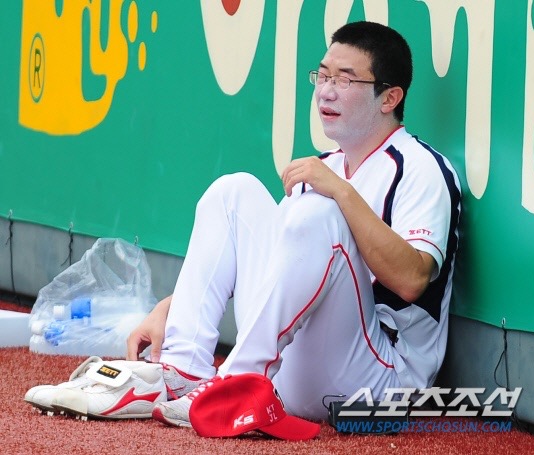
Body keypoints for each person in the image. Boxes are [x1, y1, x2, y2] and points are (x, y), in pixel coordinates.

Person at [25, 21, 461, 428]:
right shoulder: (325, 167)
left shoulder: (420, 168)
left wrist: (342, 194)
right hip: (303, 369)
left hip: (380, 382)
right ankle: (180, 369)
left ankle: (236, 383)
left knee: (319, 212)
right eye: (323, 76)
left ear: (389, 98)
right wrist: (171, 308)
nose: (326, 91)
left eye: (345, 80)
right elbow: (282, 271)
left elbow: (412, 280)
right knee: (234, 193)